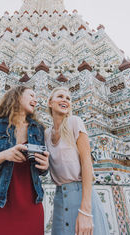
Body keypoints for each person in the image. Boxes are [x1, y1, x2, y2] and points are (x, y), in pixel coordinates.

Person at [0, 86, 50, 235]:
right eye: (31, 95)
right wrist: (4, 155)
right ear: (17, 96)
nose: (35, 100)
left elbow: (41, 169)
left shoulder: (39, 129)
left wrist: (45, 166)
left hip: (30, 202)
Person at [46, 87, 110, 235]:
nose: (65, 100)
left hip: (82, 196)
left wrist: (85, 211)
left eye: (68, 98)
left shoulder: (75, 122)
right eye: (60, 96)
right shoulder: (46, 134)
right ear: (50, 102)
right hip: (60, 198)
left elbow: (87, 163)